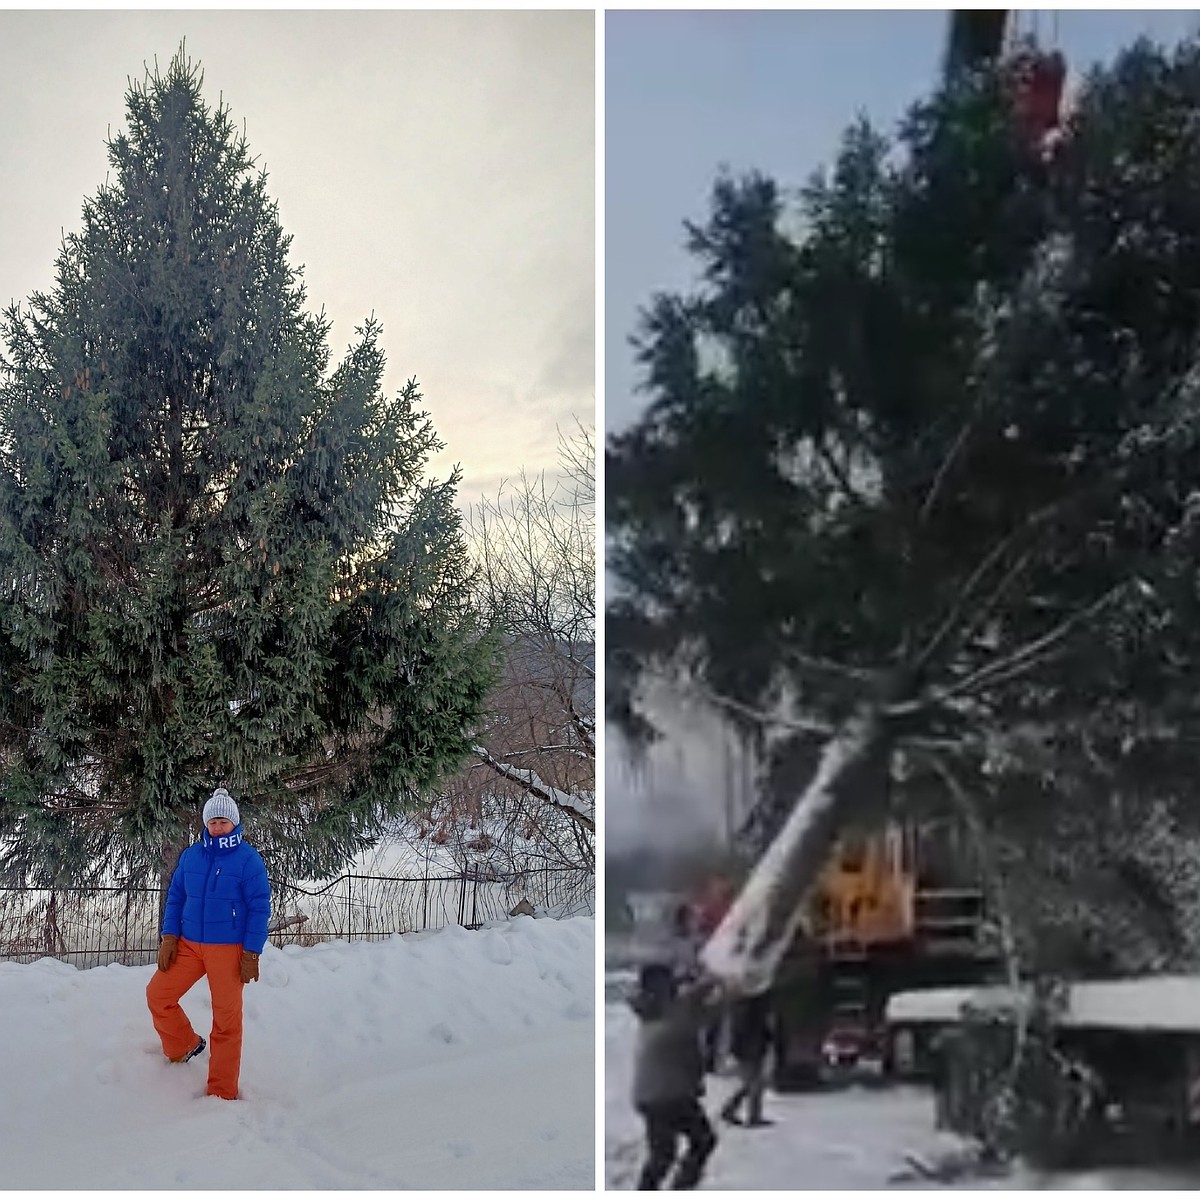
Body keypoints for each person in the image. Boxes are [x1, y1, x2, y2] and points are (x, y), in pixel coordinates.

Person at [146, 787, 271, 1101]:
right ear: (205, 822)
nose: (217, 826)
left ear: (233, 823)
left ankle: (221, 1090)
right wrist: (169, 936)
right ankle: (183, 1045)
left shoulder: (248, 860)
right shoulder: (192, 855)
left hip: (228, 950)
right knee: (158, 994)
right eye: (212, 821)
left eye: (223, 821)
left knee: (226, 1021)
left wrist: (252, 952)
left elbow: (259, 907)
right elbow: (176, 897)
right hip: (188, 944)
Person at [629, 961, 721, 1190]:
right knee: (700, 1141)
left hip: (654, 1093)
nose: (673, 985)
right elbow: (700, 1002)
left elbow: (698, 1008)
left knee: (664, 1155)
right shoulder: (672, 1012)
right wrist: (716, 976)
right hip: (669, 1094)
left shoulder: (653, 1009)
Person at [720, 992, 775, 1127]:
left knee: (750, 1083)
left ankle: (731, 1110)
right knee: (755, 1083)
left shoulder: (742, 1006)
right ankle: (752, 1116)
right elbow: (751, 1028)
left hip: (748, 1047)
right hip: (751, 1048)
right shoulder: (751, 1008)